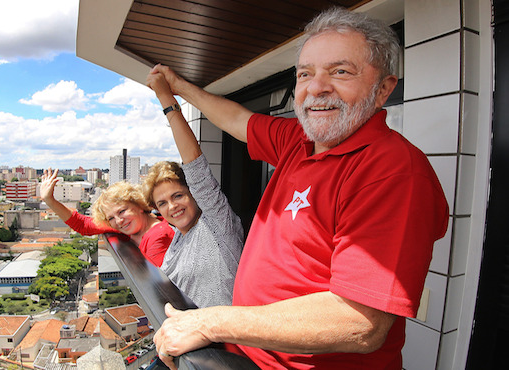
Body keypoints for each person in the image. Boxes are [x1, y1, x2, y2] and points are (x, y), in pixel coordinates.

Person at [150, 7, 449, 370]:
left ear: (383, 89)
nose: (316, 87)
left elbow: (360, 323)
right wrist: (178, 88)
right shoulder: (299, 139)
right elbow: (236, 119)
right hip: (246, 358)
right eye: (305, 73)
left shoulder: (393, 171)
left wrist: (210, 322)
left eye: (340, 71)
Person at [143, 70, 244, 309]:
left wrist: (166, 100)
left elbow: (195, 166)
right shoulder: (178, 239)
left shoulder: (217, 225)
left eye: (178, 195)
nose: (172, 206)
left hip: (230, 341)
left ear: (194, 194)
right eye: (163, 203)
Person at [40, 169, 173, 267]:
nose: (119, 221)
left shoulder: (158, 237)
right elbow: (83, 224)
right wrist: (50, 200)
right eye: (111, 218)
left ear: (139, 204)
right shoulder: (131, 225)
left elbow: (169, 286)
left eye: (122, 211)